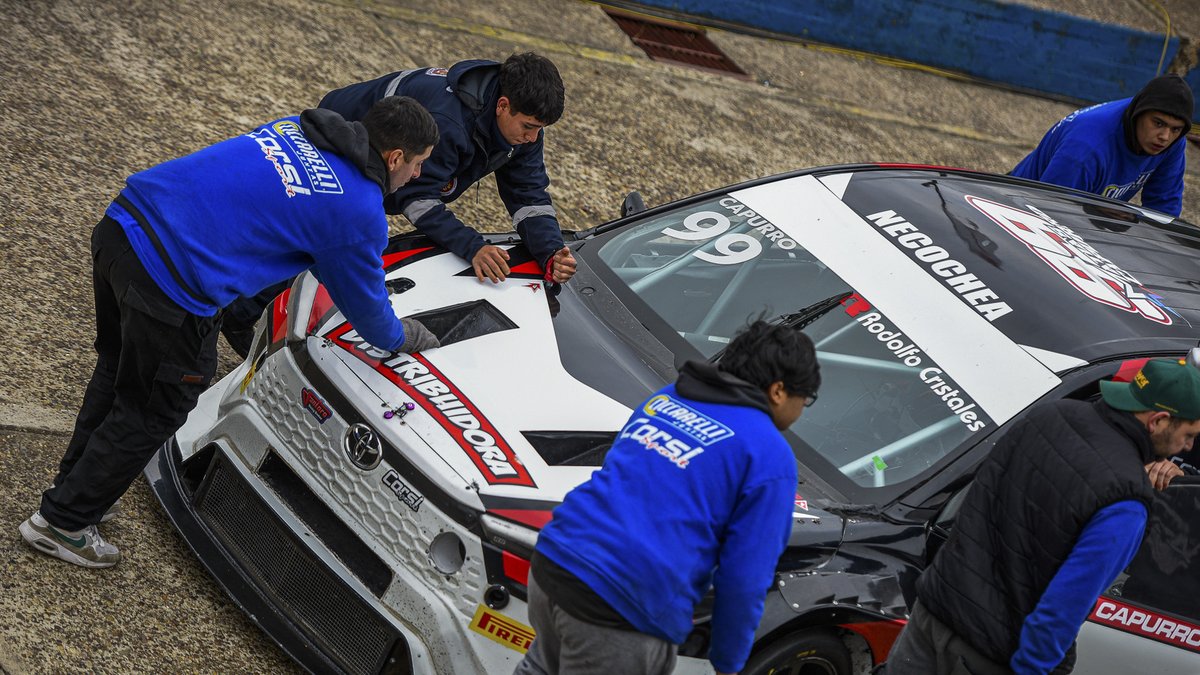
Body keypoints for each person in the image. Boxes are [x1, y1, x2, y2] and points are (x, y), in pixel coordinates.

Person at [19, 96, 441, 568]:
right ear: (395, 158)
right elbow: (369, 314)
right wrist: (407, 338)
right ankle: (64, 522)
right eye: (419, 163)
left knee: (119, 373)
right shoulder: (360, 208)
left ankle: (78, 492)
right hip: (171, 284)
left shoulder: (298, 131)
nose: (419, 176)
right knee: (158, 406)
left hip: (123, 227)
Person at [513, 320, 821, 675]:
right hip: (621, 604)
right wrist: (728, 663)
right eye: (805, 400)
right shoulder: (769, 454)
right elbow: (745, 576)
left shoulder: (668, 398)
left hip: (554, 562)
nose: (800, 412)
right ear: (779, 391)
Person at [884, 357, 1200, 674]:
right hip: (988, 656)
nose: (1188, 447)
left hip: (930, 616)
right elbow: (1063, 608)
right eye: (1189, 434)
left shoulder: (1051, 414)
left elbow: (977, 507)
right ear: (1157, 421)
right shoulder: (1126, 500)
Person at [320, 52, 577, 285]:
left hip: (385, 156)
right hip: (337, 147)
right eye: (529, 127)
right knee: (331, 247)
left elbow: (529, 196)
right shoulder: (449, 123)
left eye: (540, 128)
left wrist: (551, 251)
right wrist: (473, 247)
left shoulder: (525, 127)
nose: (533, 138)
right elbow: (416, 196)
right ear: (502, 106)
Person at [1010, 73, 1193, 217]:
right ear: (1138, 113)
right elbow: (1046, 212)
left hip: (1080, 210)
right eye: (1158, 123)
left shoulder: (1172, 141)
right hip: (1015, 206)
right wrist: (1098, 211)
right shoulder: (1085, 150)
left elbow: (1163, 210)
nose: (1165, 137)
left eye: (1176, 129)